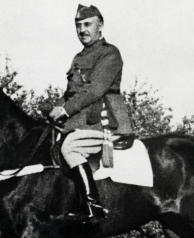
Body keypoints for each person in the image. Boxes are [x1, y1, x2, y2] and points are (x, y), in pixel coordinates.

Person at [49, 4, 133, 222]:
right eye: (78, 26)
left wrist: (65, 110)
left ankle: (92, 205)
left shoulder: (110, 53)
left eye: (88, 24)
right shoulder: (78, 57)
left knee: (70, 148)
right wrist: (56, 110)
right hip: (81, 122)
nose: (82, 30)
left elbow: (94, 90)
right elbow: (70, 92)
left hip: (105, 121)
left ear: (100, 26)